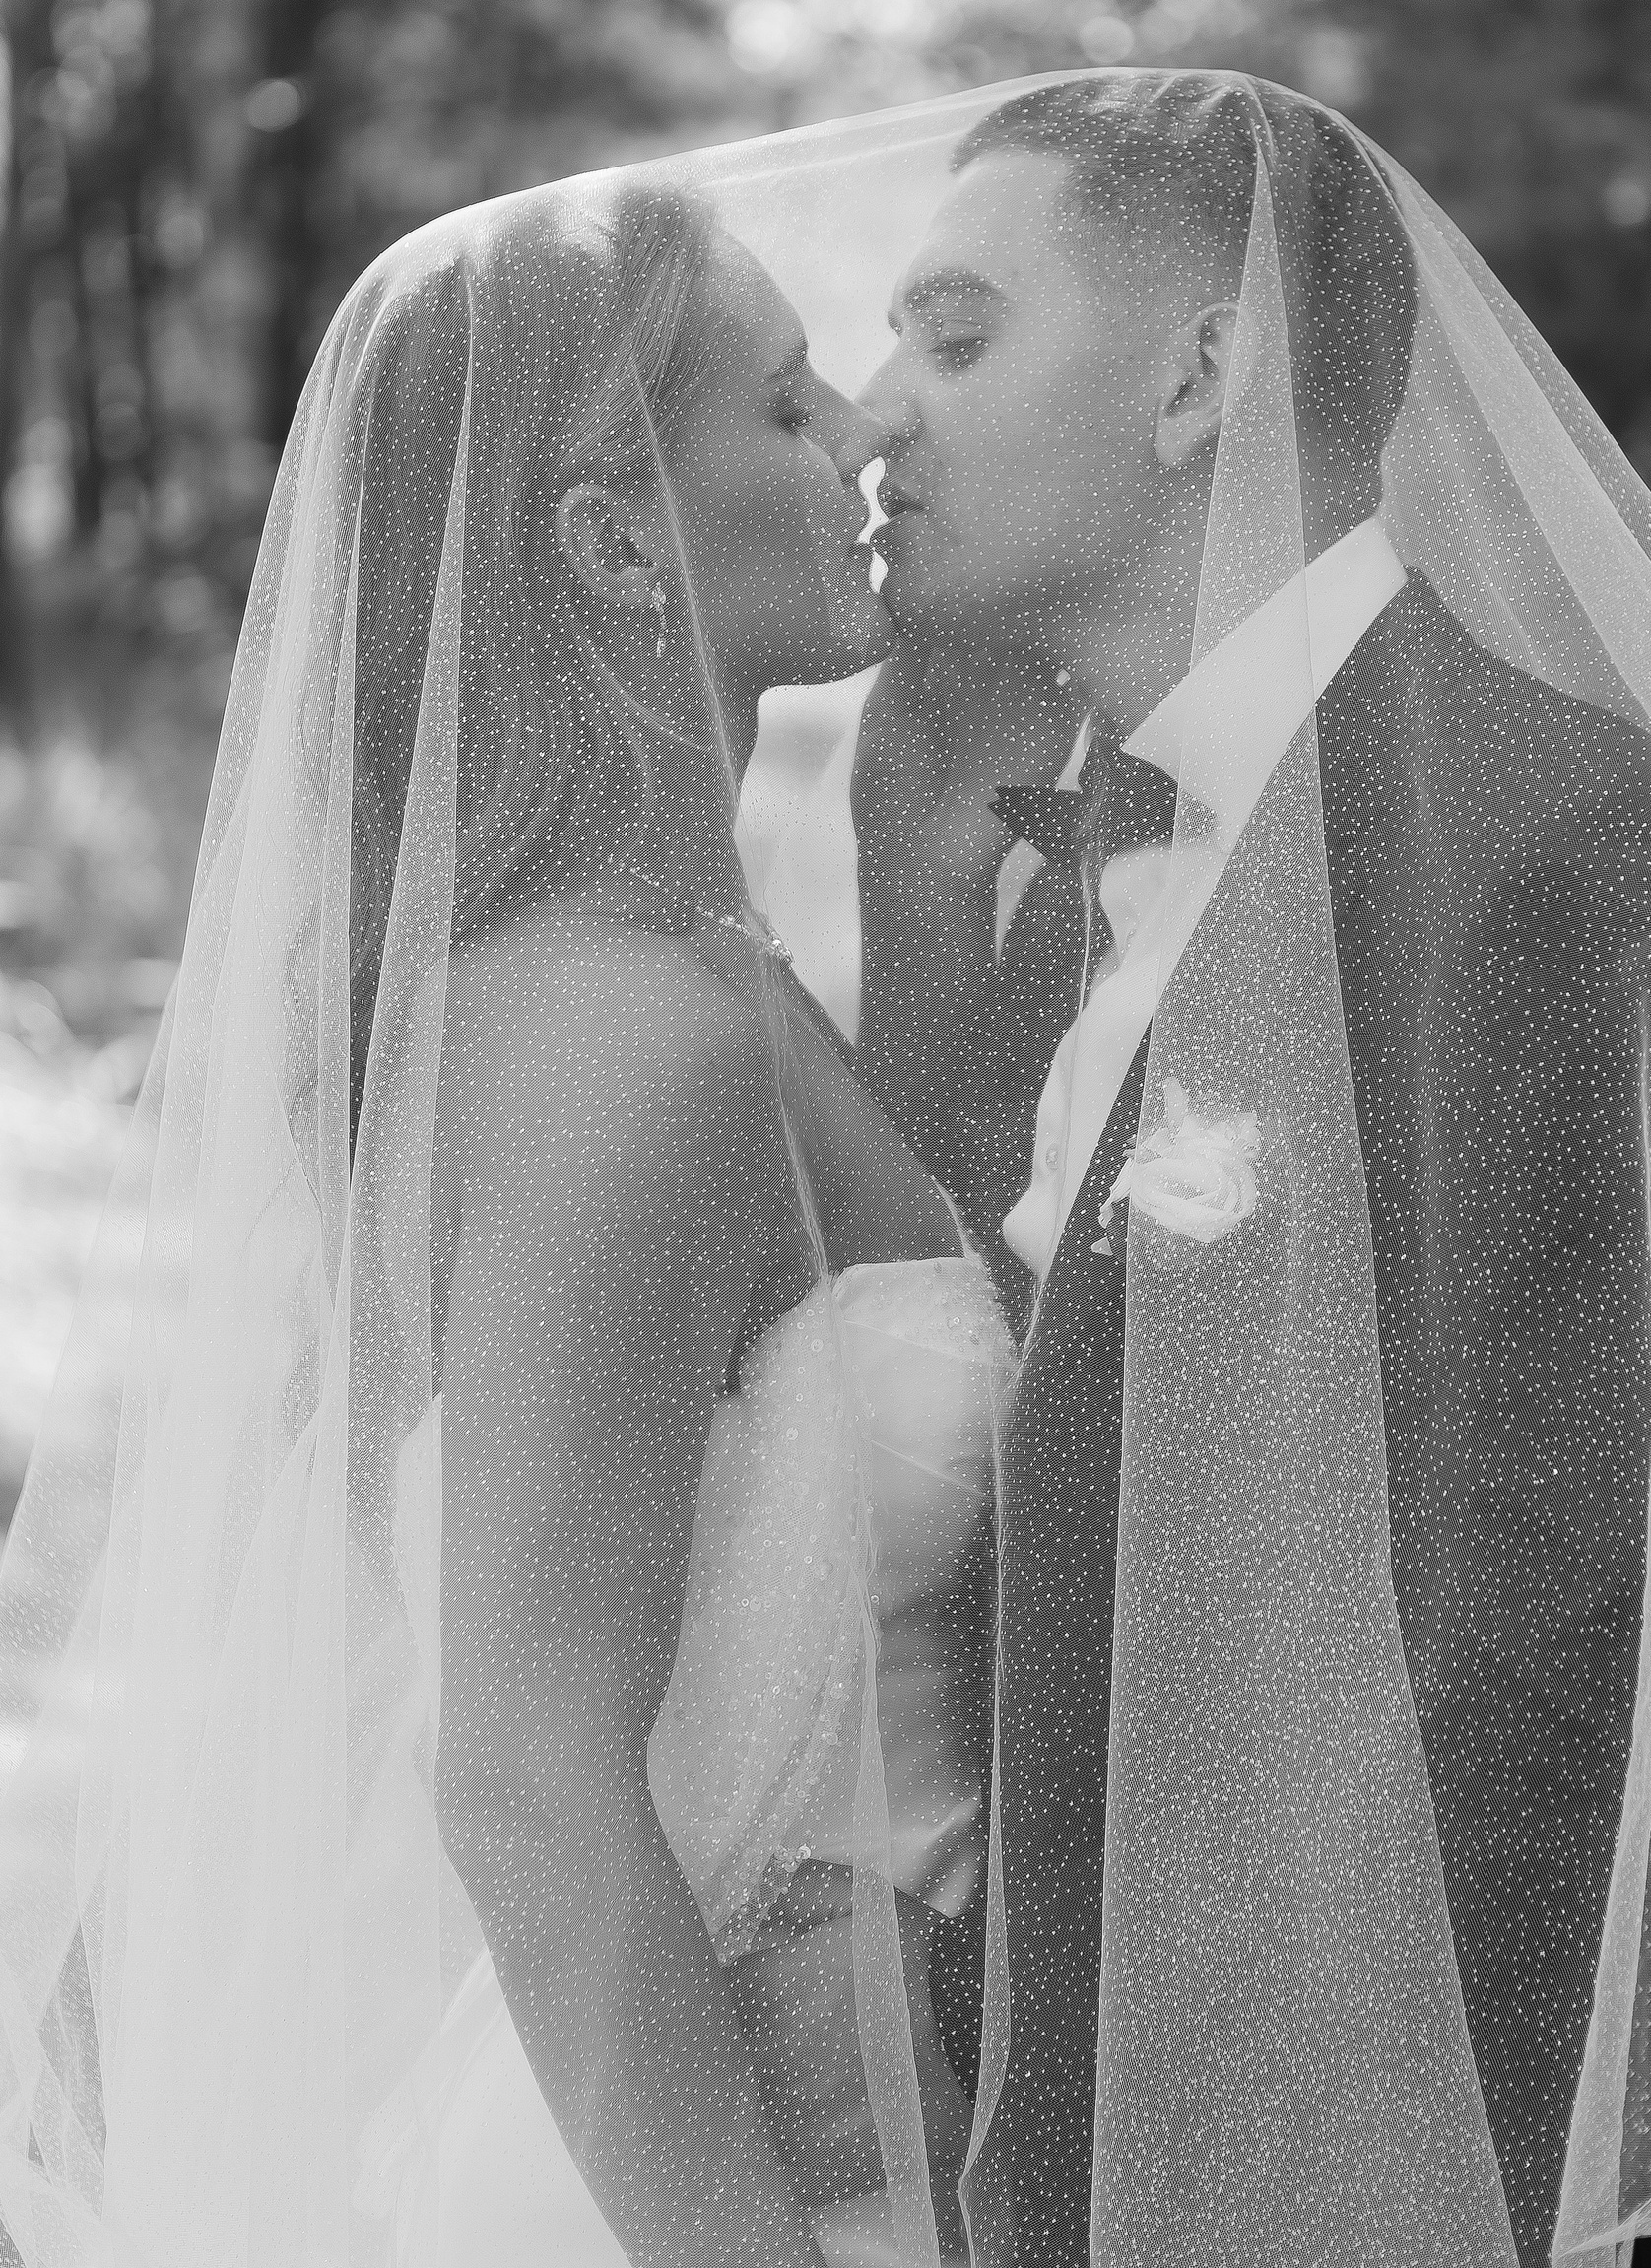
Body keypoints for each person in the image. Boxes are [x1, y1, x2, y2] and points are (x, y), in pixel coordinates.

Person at [850, 71, 1651, 2266]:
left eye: (955, 336)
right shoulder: (1068, 883)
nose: (877, 411)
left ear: (1198, 380)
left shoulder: (1584, 870)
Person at [0, 170, 1009, 2267]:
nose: (862, 429)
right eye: (785, 402)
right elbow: (526, 1787)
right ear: (613, 539)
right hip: (687, 2190)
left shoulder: (653, 969)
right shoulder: (623, 1032)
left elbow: (378, 1606)